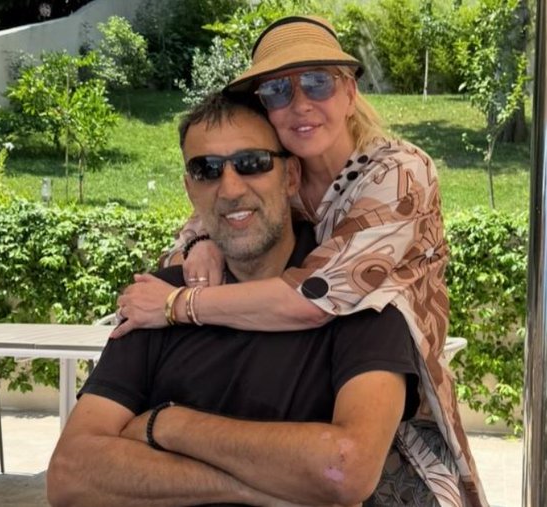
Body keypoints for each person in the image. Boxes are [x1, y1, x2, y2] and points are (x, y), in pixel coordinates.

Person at [112, 15, 487, 507]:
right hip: (301, 408)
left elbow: (312, 298)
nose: (300, 103)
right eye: (277, 91)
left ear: (349, 93)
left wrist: (177, 305)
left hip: (395, 421)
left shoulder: (397, 174)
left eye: (317, 83)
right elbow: (210, 218)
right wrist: (199, 240)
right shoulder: (278, 177)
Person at [47, 92, 422, 506]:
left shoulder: (358, 297)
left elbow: (346, 469)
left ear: (291, 176)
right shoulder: (159, 298)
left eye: (252, 163)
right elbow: (70, 474)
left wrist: (168, 424)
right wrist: (254, 485)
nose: (229, 188)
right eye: (206, 169)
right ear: (190, 189)